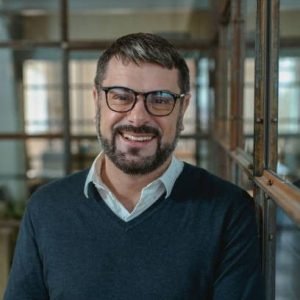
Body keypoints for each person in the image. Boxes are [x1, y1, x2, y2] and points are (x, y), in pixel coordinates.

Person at [4, 32, 263, 300]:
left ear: (183, 108)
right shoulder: (46, 208)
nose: (138, 118)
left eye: (160, 99)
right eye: (120, 96)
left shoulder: (229, 211)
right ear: (97, 100)